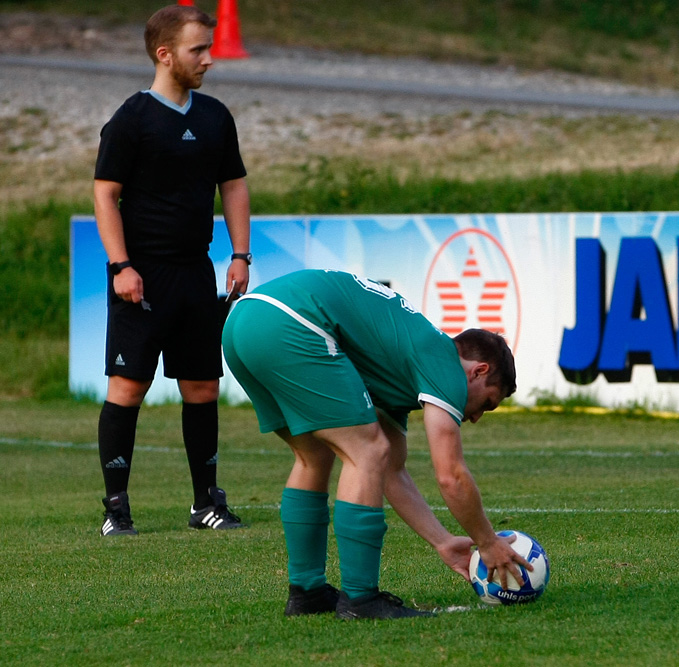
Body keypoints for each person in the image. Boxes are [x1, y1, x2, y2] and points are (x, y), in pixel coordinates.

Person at [221, 269, 528, 620]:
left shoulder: (400, 365)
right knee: (366, 451)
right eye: (487, 403)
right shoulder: (444, 362)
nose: (476, 417)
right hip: (290, 321)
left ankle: (307, 592)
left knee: (315, 455)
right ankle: (361, 600)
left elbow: (392, 473)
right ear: (478, 370)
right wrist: (488, 542)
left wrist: (442, 541)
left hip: (243, 322)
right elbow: (450, 475)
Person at [93, 5, 251, 536]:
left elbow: (233, 185)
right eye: (197, 50)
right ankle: (117, 509)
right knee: (128, 388)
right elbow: (105, 194)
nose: (208, 58)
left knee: (202, 387)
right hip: (142, 276)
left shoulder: (214, 117)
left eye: (209, 47)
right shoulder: (131, 119)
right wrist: (121, 265)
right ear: (165, 55)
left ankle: (206, 502)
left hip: (195, 273)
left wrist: (239, 254)